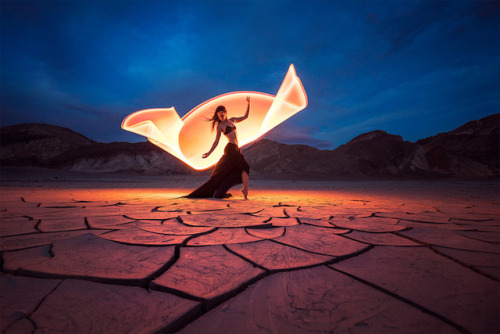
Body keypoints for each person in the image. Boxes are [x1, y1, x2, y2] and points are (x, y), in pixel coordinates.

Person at [186, 96, 251, 199]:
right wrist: (209, 153)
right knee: (242, 168)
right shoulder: (220, 126)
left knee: (240, 169)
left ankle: (234, 190)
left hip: (236, 150)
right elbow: (216, 141)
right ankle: (242, 191)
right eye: (219, 115)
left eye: (222, 114)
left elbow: (245, 116)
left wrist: (248, 103)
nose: (221, 117)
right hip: (231, 149)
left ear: (225, 112)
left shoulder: (232, 120)